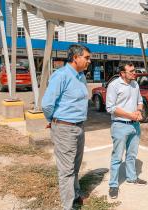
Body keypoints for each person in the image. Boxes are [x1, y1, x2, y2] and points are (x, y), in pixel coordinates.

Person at [42, 44, 91, 210]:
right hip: (64, 128)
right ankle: (68, 206)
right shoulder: (61, 75)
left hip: (79, 126)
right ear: (75, 58)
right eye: (86, 57)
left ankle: (76, 194)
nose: (89, 61)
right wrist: (52, 119)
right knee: (67, 170)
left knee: (75, 166)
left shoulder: (81, 76)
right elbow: (47, 104)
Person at [106, 62, 147, 199]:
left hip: (135, 125)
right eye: (131, 71)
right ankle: (113, 185)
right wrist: (130, 115)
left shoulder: (135, 84)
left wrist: (138, 111)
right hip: (120, 125)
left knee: (132, 154)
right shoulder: (114, 86)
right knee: (117, 157)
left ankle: (131, 177)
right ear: (122, 74)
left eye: (134, 70)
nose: (134, 73)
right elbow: (110, 108)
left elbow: (140, 101)